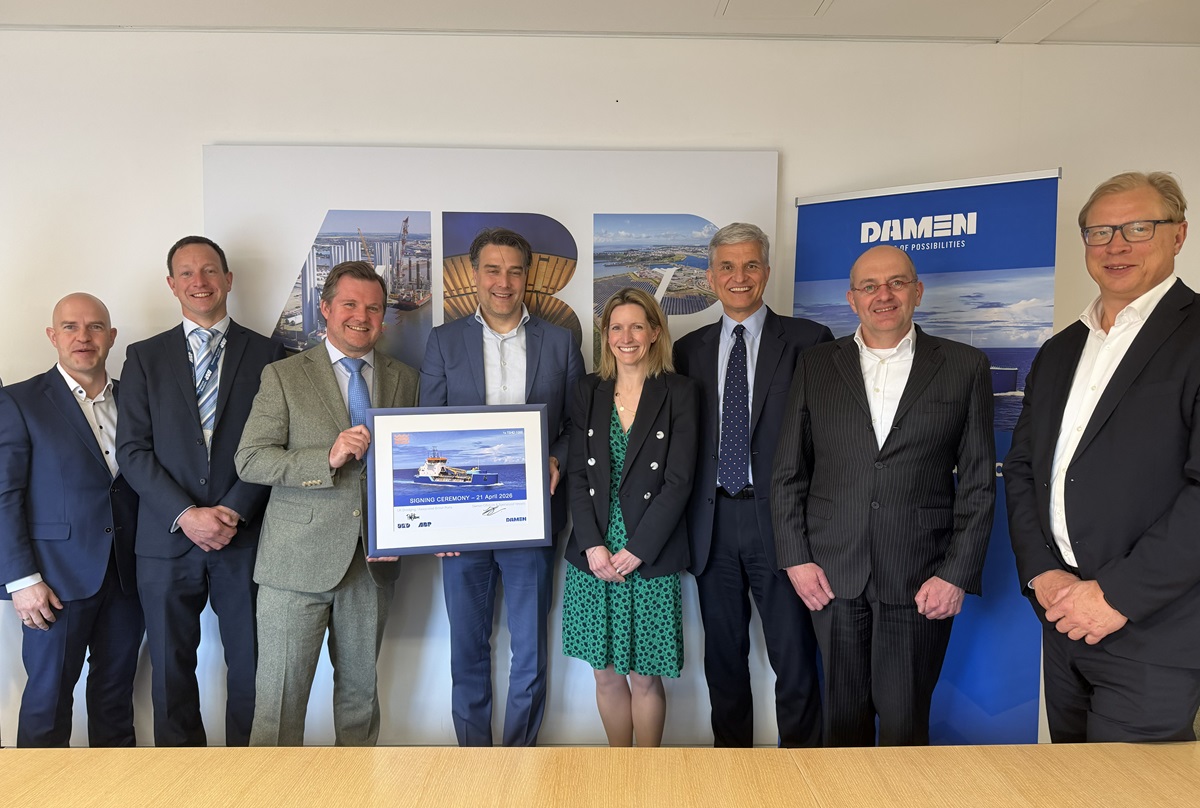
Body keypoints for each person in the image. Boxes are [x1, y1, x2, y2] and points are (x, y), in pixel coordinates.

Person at [772, 245, 994, 747]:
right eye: (869, 286)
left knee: (904, 727)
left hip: (921, 577)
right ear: (852, 299)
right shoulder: (816, 365)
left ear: (918, 291)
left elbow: (979, 483)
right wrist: (796, 559)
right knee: (841, 728)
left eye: (896, 282)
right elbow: (788, 472)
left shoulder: (964, 365)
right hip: (832, 576)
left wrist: (955, 574)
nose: (883, 295)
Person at [1006, 171, 1200, 742]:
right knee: (1070, 781)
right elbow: (1023, 470)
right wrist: (1041, 572)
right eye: (1100, 232)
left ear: (1178, 234)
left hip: (1154, 629)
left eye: (1138, 228)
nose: (1116, 246)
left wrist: (1115, 595)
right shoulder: (1060, 349)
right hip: (1063, 616)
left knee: (1128, 786)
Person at [236, 260, 420, 746]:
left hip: (372, 565)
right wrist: (327, 457)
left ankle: (356, 787)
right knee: (278, 707)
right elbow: (250, 459)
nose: (362, 316)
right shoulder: (283, 376)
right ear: (325, 308)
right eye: (350, 304)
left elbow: (417, 464)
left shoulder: (406, 379)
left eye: (374, 308)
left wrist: (418, 530)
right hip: (295, 564)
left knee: (360, 705)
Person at [117, 236, 286, 746]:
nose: (200, 282)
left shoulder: (269, 354)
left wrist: (233, 509)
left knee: (253, 669)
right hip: (166, 541)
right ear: (172, 285)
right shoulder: (143, 357)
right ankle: (183, 779)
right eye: (187, 273)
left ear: (228, 279)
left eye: (210, 270)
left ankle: (250, 778)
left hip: (245, 539)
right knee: (170, 674)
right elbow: (132, 451)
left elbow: (278, 443)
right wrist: (187, 514)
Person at [419, 227, 583, 747]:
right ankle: (475, 765)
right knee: (467, 649)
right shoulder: (444, 341)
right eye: (493, 269)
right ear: (475, 274)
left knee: (530, 652)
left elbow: (577, 426)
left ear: (527, 276)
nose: (504, 282)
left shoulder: (560, 342)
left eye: (514, 271)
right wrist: (436, 520)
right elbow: (427, 429)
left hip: (532, 516)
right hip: (461, 522)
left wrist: (556, 459)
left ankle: (519, 760)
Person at [674, 222, 831, 748]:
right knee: (722, 661)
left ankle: (803, 770)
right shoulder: (688, 350)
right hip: (713, 523)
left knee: (795, 657)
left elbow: (827, 439)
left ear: (766, 270)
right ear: (710, 276)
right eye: (727, 266)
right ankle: (732, 771)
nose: (738, 277)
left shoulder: (809, 341)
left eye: (750, 265)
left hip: (783, 525)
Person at [0, 293, 143, 747]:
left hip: (129, 578)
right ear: (52, 336)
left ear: (111, 336)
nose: (83, 337)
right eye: (70, 326)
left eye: (95, 326)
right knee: (47, 703)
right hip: (53, 582)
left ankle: (115, 785)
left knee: (115, 702)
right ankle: (36, 788)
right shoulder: (18, 401)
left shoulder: (137, 398)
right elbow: (4, 495)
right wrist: (22, 580)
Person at [563, 287, 698, 747]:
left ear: (655, 332)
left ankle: (648, 774)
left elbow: (679, 481)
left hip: (649, 551)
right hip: (595, 553)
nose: (626, 337)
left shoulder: (680, 392)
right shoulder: (588, 391)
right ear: (605, 335)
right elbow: (577, 475)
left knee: (644, 675)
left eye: (637, 326)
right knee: (604, 673)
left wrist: (639, 549)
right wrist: (592, 544)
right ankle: (619, 770)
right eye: (616, 327)